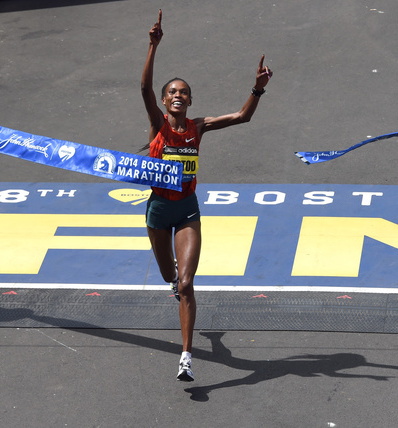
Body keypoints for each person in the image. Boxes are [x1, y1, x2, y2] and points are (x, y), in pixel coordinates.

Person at [140, 9, 272, 382]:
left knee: (186, 283)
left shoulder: (199, 127)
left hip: (187, 212)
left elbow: (243, 117)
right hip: (158, 213)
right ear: (165, 101)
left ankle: (185, 357)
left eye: (183, 92)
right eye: (172, 92)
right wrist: (153, 45)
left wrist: (257, 87)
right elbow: (144, 89)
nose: (177, 96)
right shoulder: (158, 125)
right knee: (169, 275)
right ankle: (173, 283)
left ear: (191, 101)